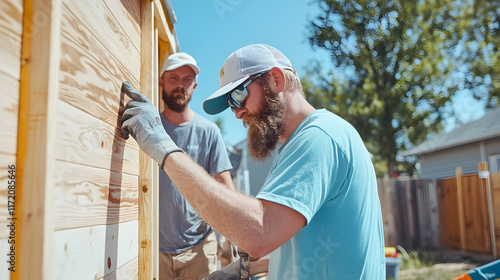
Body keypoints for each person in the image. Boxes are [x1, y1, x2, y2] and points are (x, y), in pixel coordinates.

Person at [121, 44, 386, 279]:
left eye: (238, 96)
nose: (237, 113)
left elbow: (259, 233)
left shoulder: (319, 138)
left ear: (276, 80)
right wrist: (248, 269)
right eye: (230, 104)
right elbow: (297, 242)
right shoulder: (297, 145)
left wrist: (162, 147)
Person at [155, 52, 235, 280]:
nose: (180, 85)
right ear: (161, 81)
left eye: (187, 80)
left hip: (200, 249)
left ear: (195, 86)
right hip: (153, 248)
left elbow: (225, 186)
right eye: (173, 78)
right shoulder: (151, 129)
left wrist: (239, 234)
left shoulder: (209, 132)